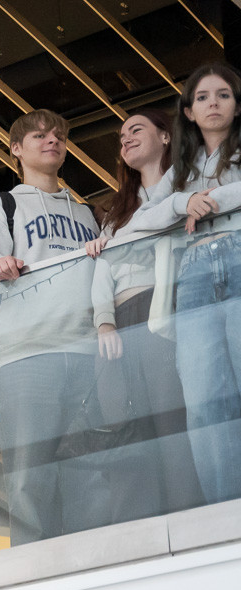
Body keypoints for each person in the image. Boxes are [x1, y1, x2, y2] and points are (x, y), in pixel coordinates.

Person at [0, 109, 102, 545]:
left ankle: (88, 560)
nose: (52, 141)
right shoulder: (2, 205)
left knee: (89, 469)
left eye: (59, 135)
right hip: (27, 353)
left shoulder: (86, 213)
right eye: (40, 135)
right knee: (28, 475)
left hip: (87, 351)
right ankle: (32, 568)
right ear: (16, 149)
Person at [116, 62, 241, 504]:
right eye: (202, 97)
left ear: (237, 105)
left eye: (223, 95)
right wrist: (182, 203)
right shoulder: (183, 168)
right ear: (188, 112)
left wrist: (208, 202)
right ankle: (226, 513)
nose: (213, 103)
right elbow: (138, 224)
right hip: (195, 276)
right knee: (205, 402)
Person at [85, 110, 203, 520]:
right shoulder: (118, 208)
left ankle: (186, 521)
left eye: (136, 130)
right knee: (124, 428)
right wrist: (104, 321)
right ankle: (138, 529)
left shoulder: (185, 188)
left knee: (171, 421)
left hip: (163, 310)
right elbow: (102, 271)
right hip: (118, 322)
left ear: (166, 137)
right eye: (121, 136)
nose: (126, 139)